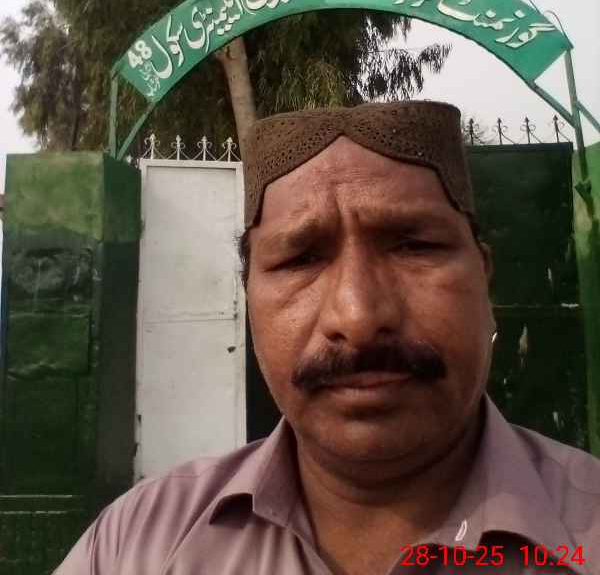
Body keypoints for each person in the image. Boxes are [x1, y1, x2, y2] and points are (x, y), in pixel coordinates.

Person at [55, 101, 599, 574]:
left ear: (484, 276)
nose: (358, 316)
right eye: (302, 259)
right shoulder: (136, 547)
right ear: (249, 298)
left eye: (414, 246)